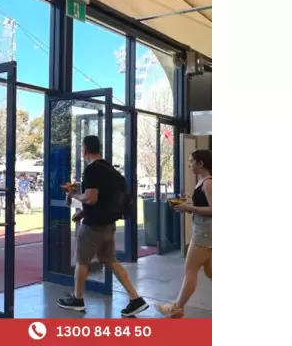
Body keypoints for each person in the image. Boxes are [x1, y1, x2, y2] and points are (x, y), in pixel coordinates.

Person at [57, 135, 148, 317]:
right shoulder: (110, 169)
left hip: (93, 227)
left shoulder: (92, 170)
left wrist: (74, 195)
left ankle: (77, 299)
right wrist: (84, 211)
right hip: (108, 224)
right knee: (111, 260)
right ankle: (135, 298)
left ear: (85, 150)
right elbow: (104, 200)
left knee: (82, 261)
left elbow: (91, 198)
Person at [157, 149, 212, 318]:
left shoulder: (208, 183)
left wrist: (190, 208)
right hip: (203, 230)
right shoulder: (202, 181)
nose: (189, 165)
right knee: (210, 271)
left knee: (190, 269)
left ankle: (177, 308)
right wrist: (188, 208)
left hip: (204, 234)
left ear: (201, 163)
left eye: (191, 161)